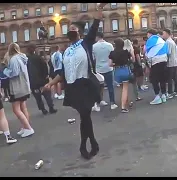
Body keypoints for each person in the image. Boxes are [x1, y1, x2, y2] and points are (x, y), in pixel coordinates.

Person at [44, 3, 108, 160]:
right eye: (69, 28)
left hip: (85, 85)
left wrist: (99, 9)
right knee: (85, 117)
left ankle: (84, 146)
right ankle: (92, 143)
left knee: (85, 116)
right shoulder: (66, 52)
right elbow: (63, 73)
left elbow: (95, 25)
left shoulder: (85, 43)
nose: (71, 30)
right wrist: (51, 84)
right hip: (72, 88)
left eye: (74, 28)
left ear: (79, 32)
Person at [2, 43, 34, 138]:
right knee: (23, 108)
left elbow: (14, 73)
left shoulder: (13, 59)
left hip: (17, 87)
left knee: (16, 109)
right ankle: (25, 127)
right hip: (24, 86)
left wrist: (5, 71)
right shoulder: (22, 57)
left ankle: (28, 128)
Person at [26, 44, 57, 115]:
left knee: (38, 97)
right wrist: (46, 76)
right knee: (47, 94)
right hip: (42, 81)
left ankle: (43, 109)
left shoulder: (26, 59)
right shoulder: (39, 58)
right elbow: (44, 67)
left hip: (33, 82)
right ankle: (51, 107)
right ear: (34, 50)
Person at [91, 32, 118, 112]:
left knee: (98, 87)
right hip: (108, 68)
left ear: (97, 37)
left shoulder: (94, 46)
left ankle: (97, 103)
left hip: (99, 69)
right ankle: (112, 103)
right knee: (110, 86)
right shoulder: (109, 45)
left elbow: (93, 59)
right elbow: (113, 56)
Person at [145, 29, 168, 105]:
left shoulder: (150, 40)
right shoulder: (161, 40)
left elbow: (147, 52)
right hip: (164, 60)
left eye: (147, 34)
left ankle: (157, 96)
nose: (147, 36)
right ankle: (164, 95)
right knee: (162, 79)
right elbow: (167, 51)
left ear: (150, 34)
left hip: (155, 62)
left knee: (154, 79)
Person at [109, 38, 132, 113]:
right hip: (125, 70)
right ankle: (123, 107)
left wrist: (115, 64)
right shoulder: (126, 52)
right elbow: (132, 59)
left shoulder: (112, 53)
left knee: (122, 89)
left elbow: (110, 64)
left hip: (117, 71)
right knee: (125, 88)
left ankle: (127, 102)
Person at [162, 28, 177, 99]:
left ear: (167, 34)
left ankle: (170, 92)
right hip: (175, 62)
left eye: (163, 33)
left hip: (170, 62)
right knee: (175, 78)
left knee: (169, 78)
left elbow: (168, 53)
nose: (163, 35)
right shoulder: (172, 41)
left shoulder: (168, 42)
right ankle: (176, 91)